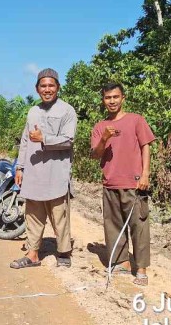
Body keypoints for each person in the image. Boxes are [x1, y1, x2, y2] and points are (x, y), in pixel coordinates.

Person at [10, 68, 77, 269]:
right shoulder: (33, 111)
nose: (47, 89)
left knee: (60, 216)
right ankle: (32, 254)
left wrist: (44, 139)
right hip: (33, 172)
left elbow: (69, 140)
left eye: (51, 85)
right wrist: (20, 167)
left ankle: (64, 252)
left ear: (58, 87)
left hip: (56, 172)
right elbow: (24, 140)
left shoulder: (67, 110)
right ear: (37, 88)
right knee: (33, 215)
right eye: (43, 86)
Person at [91, 83, 156, 286]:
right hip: (110, 183)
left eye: (115, 97)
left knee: (139, 226)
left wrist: (145, 174)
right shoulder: (100, 127)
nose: (112, 101)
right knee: (113, 225)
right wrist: (105, 138)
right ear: (103, 100)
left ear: (123, 98)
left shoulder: (136, 120)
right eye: (108, 98)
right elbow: (95, 154)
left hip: (134, 183)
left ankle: (141, 268)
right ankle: (122, 262)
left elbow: (146, 146)